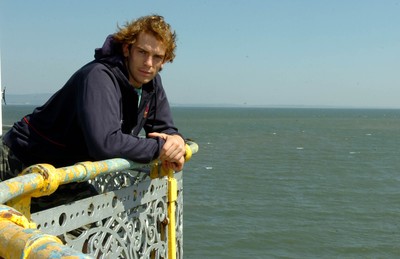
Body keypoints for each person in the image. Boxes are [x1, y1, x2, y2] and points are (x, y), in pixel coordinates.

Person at [0, 15, 186, 210]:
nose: (149, 63)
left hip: (62, 171)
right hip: (20, 159)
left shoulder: (151, 84)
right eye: (142, 52)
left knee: (98, 232)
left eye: (157, 57)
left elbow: (164, 128)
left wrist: (176, 141)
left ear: (165, 60)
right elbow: (105, 143)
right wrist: (160, 148)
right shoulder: (99, 76)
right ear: (127, 49)